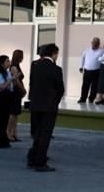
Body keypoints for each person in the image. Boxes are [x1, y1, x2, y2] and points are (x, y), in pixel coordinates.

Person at [26, 43, 64, 172]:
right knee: (45, 134)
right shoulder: (56, 69)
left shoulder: (35, 66)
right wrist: (55, 102)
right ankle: (40, 162)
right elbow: (60, 89)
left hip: (36, 104)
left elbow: (31, 83)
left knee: (37, 133)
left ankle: (32, 158)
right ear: (54, 54)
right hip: (49, 106)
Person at [0, 55, 15, 149]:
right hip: (1, 97)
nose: (9, 63)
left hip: (7, 97)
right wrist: (11, 80)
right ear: (2, 63)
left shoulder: (7, 73)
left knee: (5, 120)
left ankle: (3, 140)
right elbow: (2, 86)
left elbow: (10, 87)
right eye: (7, 61)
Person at [7, 49, 27, 143]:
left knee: (16, 113)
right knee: (12, 113)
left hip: (17, 91)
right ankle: (9, 133)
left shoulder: (17, 66)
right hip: (15, 91)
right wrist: (22, 90)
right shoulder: (14, 67)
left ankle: (14, 133)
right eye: (22, 56)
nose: (23, 58)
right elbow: (16, 80)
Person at [78, 37, 103, 104]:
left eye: (96, 43)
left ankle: (91, 99)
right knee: (85, 86)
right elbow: (82, 58)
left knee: (94, 87)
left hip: (96, 71)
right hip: (87, 71)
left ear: (99, 44)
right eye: (93, 43)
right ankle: (82, 99)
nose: (94, 44)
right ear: (91, 43)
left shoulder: (102, 51)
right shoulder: (86, 50)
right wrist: (81, 66)